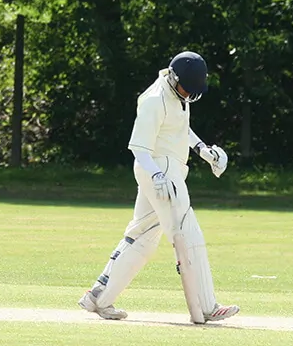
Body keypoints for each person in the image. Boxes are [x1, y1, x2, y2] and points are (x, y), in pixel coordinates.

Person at [78, 51, 241, 324]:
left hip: (168, 170)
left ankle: (99, 297)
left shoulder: (178, 93)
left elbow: (180, 128)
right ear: (174, 77)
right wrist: (156, 176)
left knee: (141, 236)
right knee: (189, 233)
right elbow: (139, 148)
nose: (189, 95)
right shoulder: (154, 100)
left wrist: (204, 151)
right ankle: (207, 305)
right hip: (159, 170)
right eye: (186, 89)